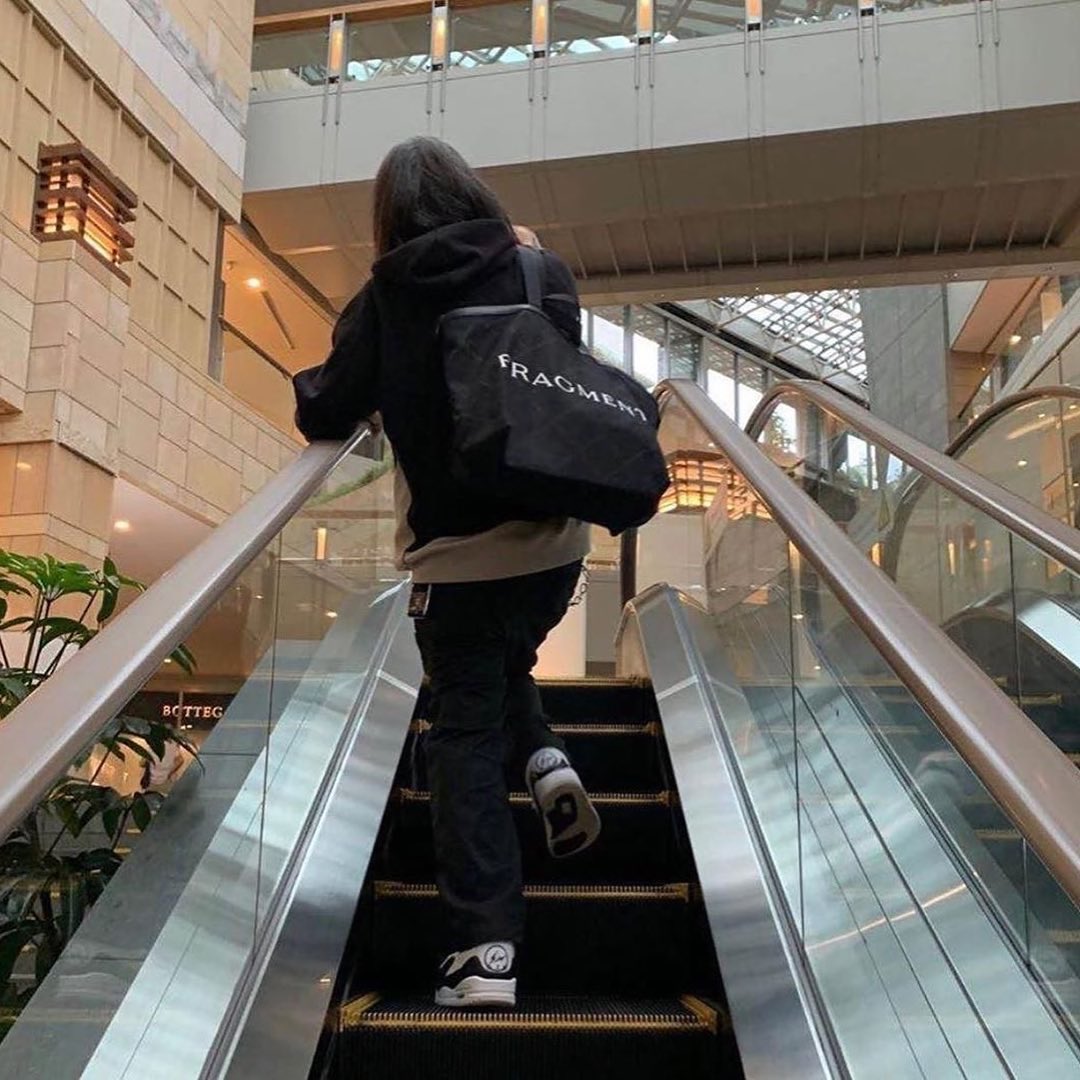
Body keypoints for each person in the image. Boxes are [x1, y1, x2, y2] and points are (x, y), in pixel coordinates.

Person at [293, 136, 601, 1010]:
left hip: (456, 564)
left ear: (388, 217)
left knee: (463, 733)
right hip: (555, 550)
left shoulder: (385, 297)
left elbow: (324, 406)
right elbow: (559, 378)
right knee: (505, 658)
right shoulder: (540, 270)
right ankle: (545, 758)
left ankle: (485, 951)